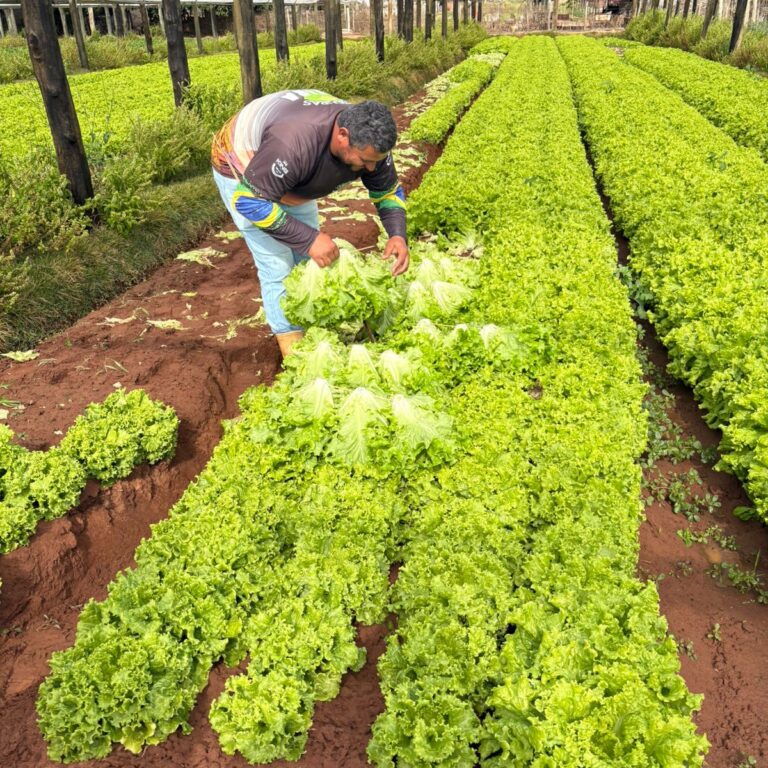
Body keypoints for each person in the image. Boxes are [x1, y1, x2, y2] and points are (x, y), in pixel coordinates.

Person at [211, 89, 410, 357]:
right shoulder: (294, 144)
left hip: (293, 172)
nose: (371, 169)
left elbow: (387, 192)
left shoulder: (372, 144)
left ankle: (316, 334)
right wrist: (308, 239)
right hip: (243, 161)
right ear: (343, 136)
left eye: (376, 161)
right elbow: (250, 203)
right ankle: (296, 358)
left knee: (308, 263)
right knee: (278, 266)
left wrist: (397, 235)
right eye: (365, 161)